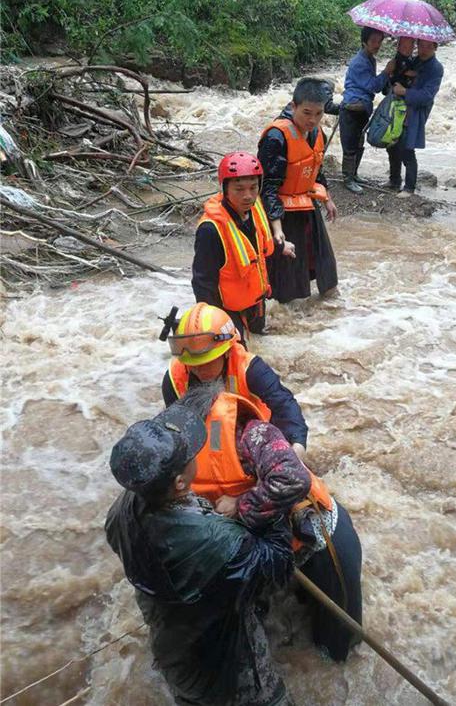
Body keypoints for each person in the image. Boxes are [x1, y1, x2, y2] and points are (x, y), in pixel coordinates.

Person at [105, 399, 294, 706]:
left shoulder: (120, 513)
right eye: (191, 455)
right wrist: (262, 504)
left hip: (173, 653)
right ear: (181, 482)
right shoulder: (219, 542)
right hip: (228, 672)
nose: (197, 453)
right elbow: (278, 564)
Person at [181, 382, 363, 663]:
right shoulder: (178, 448)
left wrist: (239, 504)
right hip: (254, 544)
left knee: (338, 643)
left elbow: (294, 479)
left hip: (313, 536)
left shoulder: (254, 434)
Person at [160, 302, 309, 459]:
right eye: (193, 364)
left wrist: (297, 444)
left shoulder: (250, 369)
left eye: (206, 363)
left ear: (226, 352)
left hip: (252, 440)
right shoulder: (173, 378)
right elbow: (174, 429)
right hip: (204, 446)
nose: (198, 369)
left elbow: (284, 404)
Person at [191, 151, 294, 339]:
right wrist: (210, 324)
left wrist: (281, 247)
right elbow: (202, 282)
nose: (248, 196)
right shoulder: (210, 230)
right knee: (239, 360)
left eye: (253, 188)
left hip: (255, 299)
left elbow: (260, 244)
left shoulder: (254, 208)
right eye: (239, 189)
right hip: (227, 310)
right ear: (225, 188)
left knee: (261, 340)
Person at [257, 78, 338, 305]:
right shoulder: (276, 137)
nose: (312, 120)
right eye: (306, 113)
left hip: (307, 203)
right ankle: (288, 316)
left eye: (319, 114)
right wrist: (276, 228)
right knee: (287, 278)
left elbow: (315, 169)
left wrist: (327, 199)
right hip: (282, 211)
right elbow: (267, 186)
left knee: (324, 265)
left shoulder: (317, 132)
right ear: (293, 106)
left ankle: (328, 309)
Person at [339, 27, 395, 194]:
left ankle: (354, 174)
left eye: (380, 41)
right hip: (352, 107)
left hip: (363, 106)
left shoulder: (370, 59)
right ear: (364, 42)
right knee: (350, 144)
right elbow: (373, 86)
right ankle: (348, 179)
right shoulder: (359, 62)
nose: (377, 45)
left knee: (358, 142)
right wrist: (386, 72)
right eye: (373, 41)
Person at [389, 39, 444, 198]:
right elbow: (400, 80)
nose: (424, 49)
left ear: (435, 47)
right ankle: (394, 180)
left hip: (416, 112)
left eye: (428, 46)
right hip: (401, 108)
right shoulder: (414, 61)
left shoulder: (436, 68)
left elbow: (427, 96)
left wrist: (404, 92)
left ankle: (409, 187)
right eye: (421, 45)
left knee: (407, 146)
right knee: (392, 144)